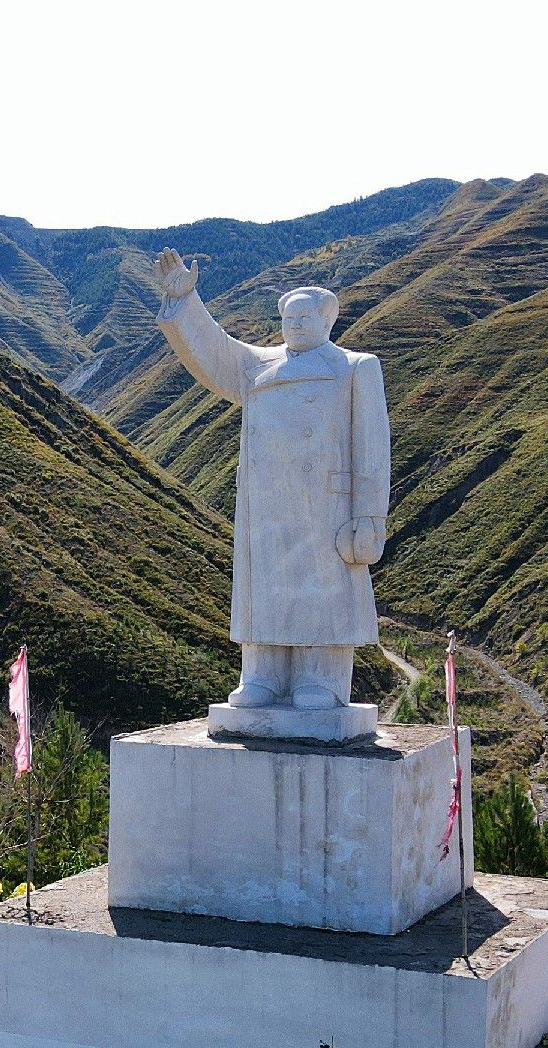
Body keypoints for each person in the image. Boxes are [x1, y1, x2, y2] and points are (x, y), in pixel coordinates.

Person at [154, 248, 389, 715]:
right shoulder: (260, 366)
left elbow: (373, 448)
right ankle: (260, 673)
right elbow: (217, 353)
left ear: (328, 322)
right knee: (263, 589)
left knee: (321, 592)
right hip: (266, 506)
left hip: (326, 508)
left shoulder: (354, 367)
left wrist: (368, 517)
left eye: (305, 317)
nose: (295, 325)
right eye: (289, 317)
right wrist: (186, 301)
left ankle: (321, 679)